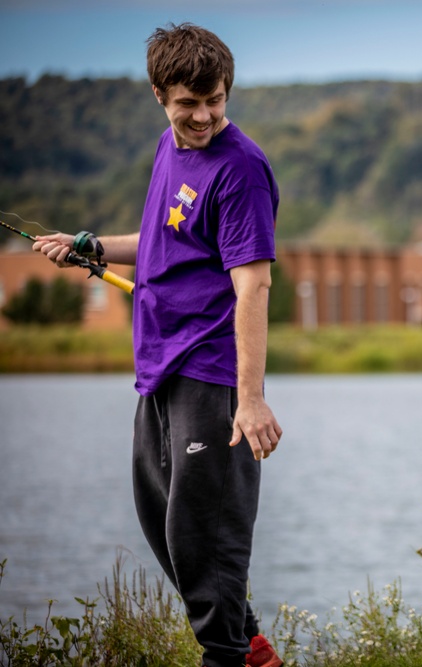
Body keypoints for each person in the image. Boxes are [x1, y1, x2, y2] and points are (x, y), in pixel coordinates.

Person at [33, 23, 283, 667]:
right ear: (158, 95)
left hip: (212, 372)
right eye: (187, 104)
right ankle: (251, 648)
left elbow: (253, 286)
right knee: (166, 527)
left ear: (227, 91)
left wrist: (249, 399)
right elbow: (159, 245)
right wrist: (89, 247)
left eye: (215, 100)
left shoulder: (242, 170)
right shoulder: (168, 151)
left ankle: (224, 656)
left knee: (206, 535)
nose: (202, 116)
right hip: (159, 367)